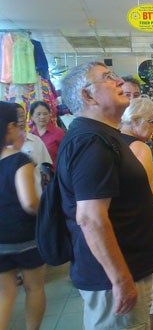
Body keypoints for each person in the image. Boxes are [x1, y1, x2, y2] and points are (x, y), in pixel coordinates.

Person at [59, 61, 153, 329]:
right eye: (107, 77)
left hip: (126, 268)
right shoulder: (91, 141)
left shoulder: (103, 135)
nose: (118, 81)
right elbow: (90, 218)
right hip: (113, 277)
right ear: (88, 95)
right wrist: (120, 279)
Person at [0, 101, 46, 330]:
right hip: (25, 236)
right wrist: (45, 213)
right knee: (34, 287)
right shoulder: (19, 160)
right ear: (9, 127)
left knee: (5, 293)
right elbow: (29, 202)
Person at [120, 96, 153, 330]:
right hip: (140, 229)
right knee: (147, 301)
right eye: (152, 122)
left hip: (122, 229)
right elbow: (148, 192)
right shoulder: (140, 147)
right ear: (135, 120)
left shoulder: (114, 141)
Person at [14, 104, 52, 196]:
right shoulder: (4, 145)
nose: (20, 119)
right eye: (16, 115)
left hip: (37, 196)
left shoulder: (36, 141)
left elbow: (45, 166)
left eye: (22, 115)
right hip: (12, 200)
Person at [29, 100, 65, 166]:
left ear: (49, 115)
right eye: (38, 114)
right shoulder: (30, 135)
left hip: (55, 173)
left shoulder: (58, 133)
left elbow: (66, 156)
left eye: (45, 113)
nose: (42, 117)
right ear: (32, 117)